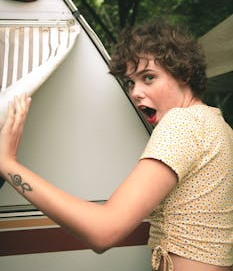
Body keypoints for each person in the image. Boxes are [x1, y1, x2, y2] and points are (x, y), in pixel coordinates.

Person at [0, 19, 232, 271]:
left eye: (149, 78)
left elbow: (103, 231)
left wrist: (8, 164)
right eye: (131, 82)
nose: (135, 92)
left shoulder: (182, 123)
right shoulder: (218, 125)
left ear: (184, 75)